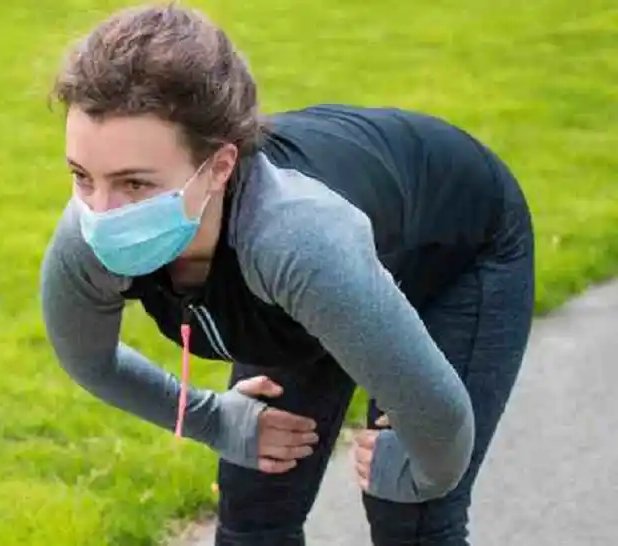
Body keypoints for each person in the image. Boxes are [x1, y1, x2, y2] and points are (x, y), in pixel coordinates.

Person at [38, 3, 535, 545]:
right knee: (256, 504)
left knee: (408, 512)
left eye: (135, 184)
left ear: (220, 167)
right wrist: (213, 418)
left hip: (456, 247)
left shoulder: (296, 241)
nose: (102, 213)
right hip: (319, 288)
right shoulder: (88, 234)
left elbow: (444, 425)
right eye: (82, 176)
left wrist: (431, 466)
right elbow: (89, 360)